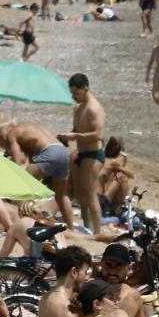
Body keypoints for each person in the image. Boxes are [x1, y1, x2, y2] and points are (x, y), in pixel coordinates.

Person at [59, 72, 106, 234]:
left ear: (85, 89)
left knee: (91, 193)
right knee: (79, 193)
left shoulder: (94, 108)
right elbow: (77, 131)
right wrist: (67, 135)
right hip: (80, 152)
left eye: (76, 93)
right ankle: (87, 226)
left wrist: (75, 136)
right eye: (72, 93)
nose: (74, 97)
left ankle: (98, 231)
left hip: (93, 154)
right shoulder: (78, 108)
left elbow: (98, 134)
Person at [35, 246, 92, 317]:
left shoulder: (45, 298)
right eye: (85, 272)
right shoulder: (65, 308)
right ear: (74, 272)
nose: (87, 278)